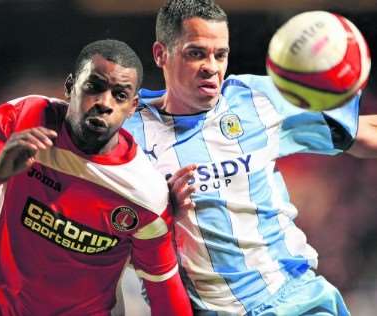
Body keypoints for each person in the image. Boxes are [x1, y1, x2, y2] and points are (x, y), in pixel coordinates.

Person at [123, 1, 377, 315]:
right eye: (196, 53)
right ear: (161, 54)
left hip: (295, 300)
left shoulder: (256, 98)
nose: (211, 67)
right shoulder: (126, 132)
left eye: (220, 54)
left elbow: (364, 134)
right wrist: (161, 212)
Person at [0, 39, 192, 316]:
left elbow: (165, 292)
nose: (104, 102)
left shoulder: (146, 193)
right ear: (70, 87)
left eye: (120, 95)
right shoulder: (24, 118)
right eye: (94, 87)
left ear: (133, 106)